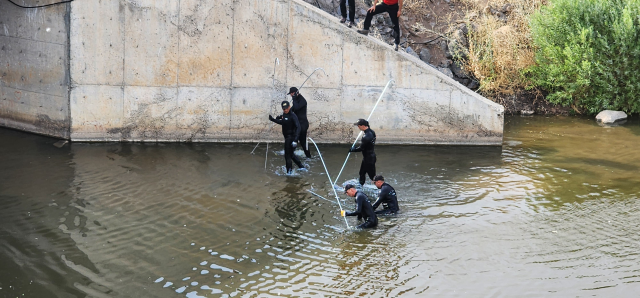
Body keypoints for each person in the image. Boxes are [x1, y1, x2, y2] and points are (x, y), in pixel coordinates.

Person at [268, 101, 305, 174]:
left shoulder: (293, 116)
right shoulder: (284, 115)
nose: (285, 110)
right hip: (287, 138)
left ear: (289, 107)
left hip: (291, 138)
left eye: (286, 108)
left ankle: (289, 172)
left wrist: (295, 140)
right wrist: (273, 119)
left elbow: (298, 127)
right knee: (291, 154)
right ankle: (301, 167)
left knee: (287, 156)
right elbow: (282, 122)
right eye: (283, 109)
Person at [349, 119, 376, 186]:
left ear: (363, 126)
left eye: (359, 126)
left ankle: (379, 188)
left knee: (372, 176)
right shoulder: (372, 132)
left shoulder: (366, 136)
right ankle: (361, 185)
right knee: (362, 173)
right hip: (369, 157)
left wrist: (353, 149)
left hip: (369, 159)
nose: (358, 127)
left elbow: (361, 148)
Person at [288, 87, 311, 158]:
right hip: (298, 124)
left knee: (302, 141)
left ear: (294, 93)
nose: (291, 96)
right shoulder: (296, 100)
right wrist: (283, 116)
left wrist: (294, 99)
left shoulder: (302, 100)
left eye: (291, 94)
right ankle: (290, 154)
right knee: (295, 139)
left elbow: (297, 107)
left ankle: (308, 157)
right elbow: (292, 110)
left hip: (303, 124)